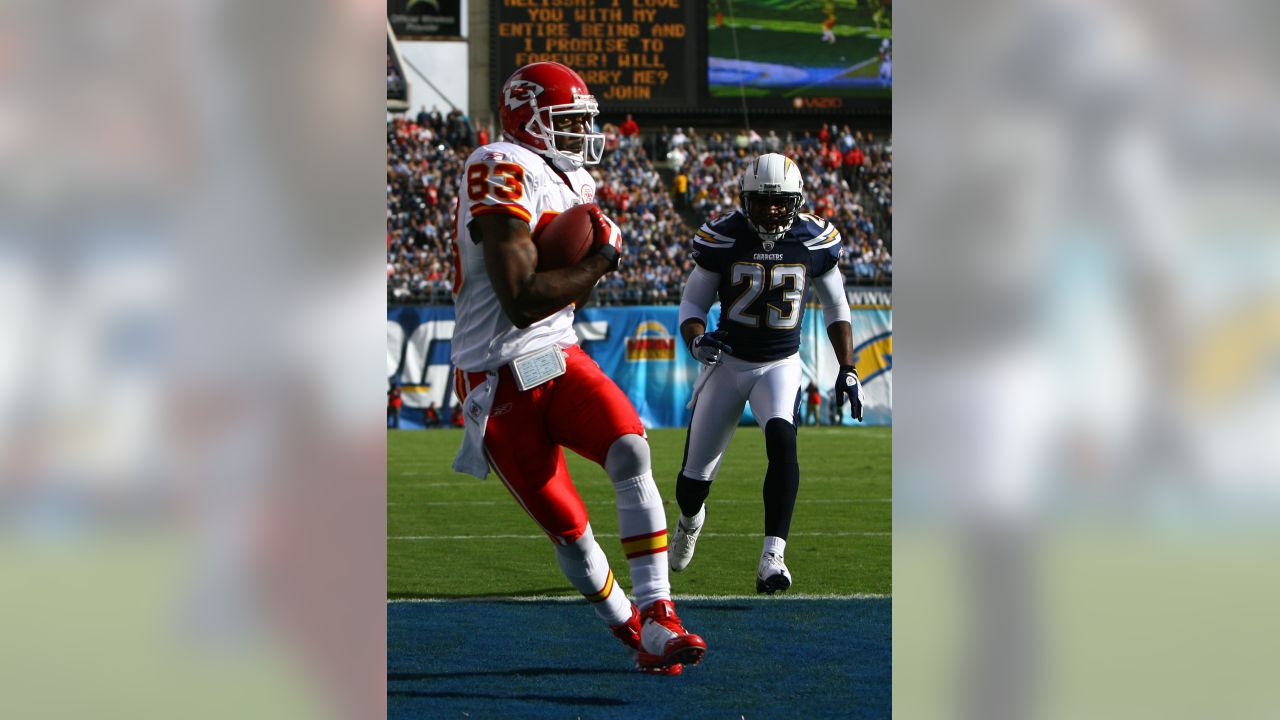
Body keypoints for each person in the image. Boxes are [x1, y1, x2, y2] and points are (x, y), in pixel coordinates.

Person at [448, 61, 706, 675]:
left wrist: (588, 258)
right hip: (495, 374)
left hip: (557, 356)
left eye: (582, 121)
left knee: (630, 449)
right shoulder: (498, 165)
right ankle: (631, 631)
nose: (580, 134)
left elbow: (563, 301)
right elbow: (521, 299)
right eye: (566, 121)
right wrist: (601, 258)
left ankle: (660, 612)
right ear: (527, 118)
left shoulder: (575, 181)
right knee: (571, 530)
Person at [670, 153, 865, 593]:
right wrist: (697, 340)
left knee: (783, 439)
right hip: (727, 364)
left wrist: (848, 367)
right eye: (762, 201)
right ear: (745, 199)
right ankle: (689, 521)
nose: (773, 210)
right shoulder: (723, 236)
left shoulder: (814, 239)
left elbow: (837, 305)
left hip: (779, 363)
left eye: (781, 202)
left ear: (795, 201)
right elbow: (693, 304)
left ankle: (772, 557)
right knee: (692, 482)